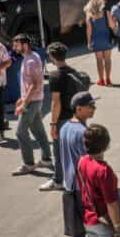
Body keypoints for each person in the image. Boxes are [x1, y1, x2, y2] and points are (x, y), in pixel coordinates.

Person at [60, 91, 97, 237]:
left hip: (68, 185)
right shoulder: (83, 133)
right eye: (90, 106)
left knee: (76, 228)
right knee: (91, 225)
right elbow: (88, 162)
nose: (93, 109)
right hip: (82, 187)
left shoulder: (65, 127)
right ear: (78, 109)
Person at [42, 43, 85, 192]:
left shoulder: (55, 76)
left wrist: (53, 124)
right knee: (77, 150)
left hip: (63, 119)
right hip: (77, 117)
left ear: (52, 57)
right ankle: (80, 179)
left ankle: (58, 180)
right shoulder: (75, 73)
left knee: (59, 151)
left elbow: (56, 102)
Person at [11, 33, 53, 177]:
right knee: (38, 130)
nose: (14, 47)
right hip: (32, 99)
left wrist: (24, 103)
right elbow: (29, 84)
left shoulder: (31, 61)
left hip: (32, 101)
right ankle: (47, 159)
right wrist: (21, 98)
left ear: (25, 45)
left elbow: (35, 84)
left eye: (16, 44)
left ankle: (28, 164)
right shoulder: (30, 57)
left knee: (20, 132)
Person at [84, 0, 113, 86]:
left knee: (99, 60)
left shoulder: (89, 15)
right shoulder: (106, 12)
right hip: (106, 38)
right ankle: (108, 79)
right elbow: (112, 25)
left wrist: (89, 42)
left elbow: (89, 30)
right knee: (107, 59)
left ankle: (101, 80)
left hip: (96, 40)